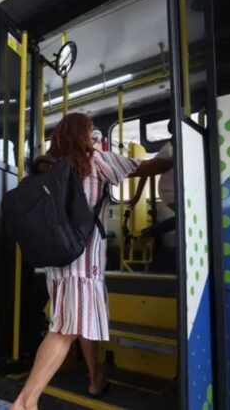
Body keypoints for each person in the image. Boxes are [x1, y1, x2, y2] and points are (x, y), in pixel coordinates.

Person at [11, 113, 172, 410]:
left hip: (59, 261)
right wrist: (176, 150)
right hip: (84, 262)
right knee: (65, 330)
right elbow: (151, 166)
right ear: (85, 135)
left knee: (79, 320)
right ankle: (25, 402)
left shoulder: (48, 166)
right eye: (91, 132)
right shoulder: (97, 161)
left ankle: (96, 378)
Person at [130, 119, 176, 236]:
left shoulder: (182, 145)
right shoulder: (168, 149)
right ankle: (146, 233)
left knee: (185, 216)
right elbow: (147, 171)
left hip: (176, 188)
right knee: (185, 216)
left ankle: (148, 233)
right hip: (169, 190)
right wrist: (137, 196)